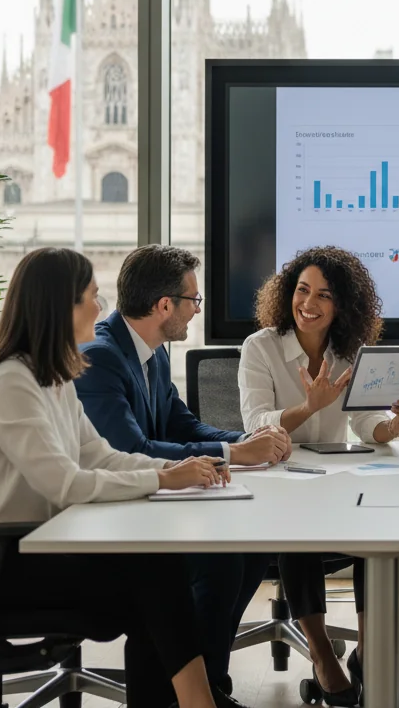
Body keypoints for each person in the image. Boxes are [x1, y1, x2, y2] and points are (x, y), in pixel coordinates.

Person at [0, 247, 238, 708]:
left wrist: (175, 470)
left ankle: (192, 700)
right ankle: (198, 702)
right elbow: (67, 484)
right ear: (60, 306)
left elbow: (101, 455)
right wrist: (164, 481)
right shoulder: (10, 382)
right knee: (154, 571)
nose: (101, 309)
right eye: (91, 297)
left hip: (36, 546)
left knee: (158, 567)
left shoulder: (54, 377)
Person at [76, 244, 289, 705]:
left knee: (251, 550)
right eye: (194, 300)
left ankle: (208, 682)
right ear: (164, 305)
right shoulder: (102, 357)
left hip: (150, 503)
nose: (197, 310)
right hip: (108, 513)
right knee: (220, 560)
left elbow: (182, 424)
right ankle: (198, 690)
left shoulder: (154, 351)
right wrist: (233, 452)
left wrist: (249, 443)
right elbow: (130, 450)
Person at [239, 246, 399, 708]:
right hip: (280, 480)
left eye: (324, 295)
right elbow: (255, 424)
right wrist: (309, 406)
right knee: (296, 533)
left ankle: (368, 648)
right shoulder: (259, 346)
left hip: (334, 480)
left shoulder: (350, 353)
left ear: (342, 305)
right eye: (302, 290)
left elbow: (367, 425)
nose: (309, 303)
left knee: (376, 533)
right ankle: (322, 653)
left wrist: (397, 425)